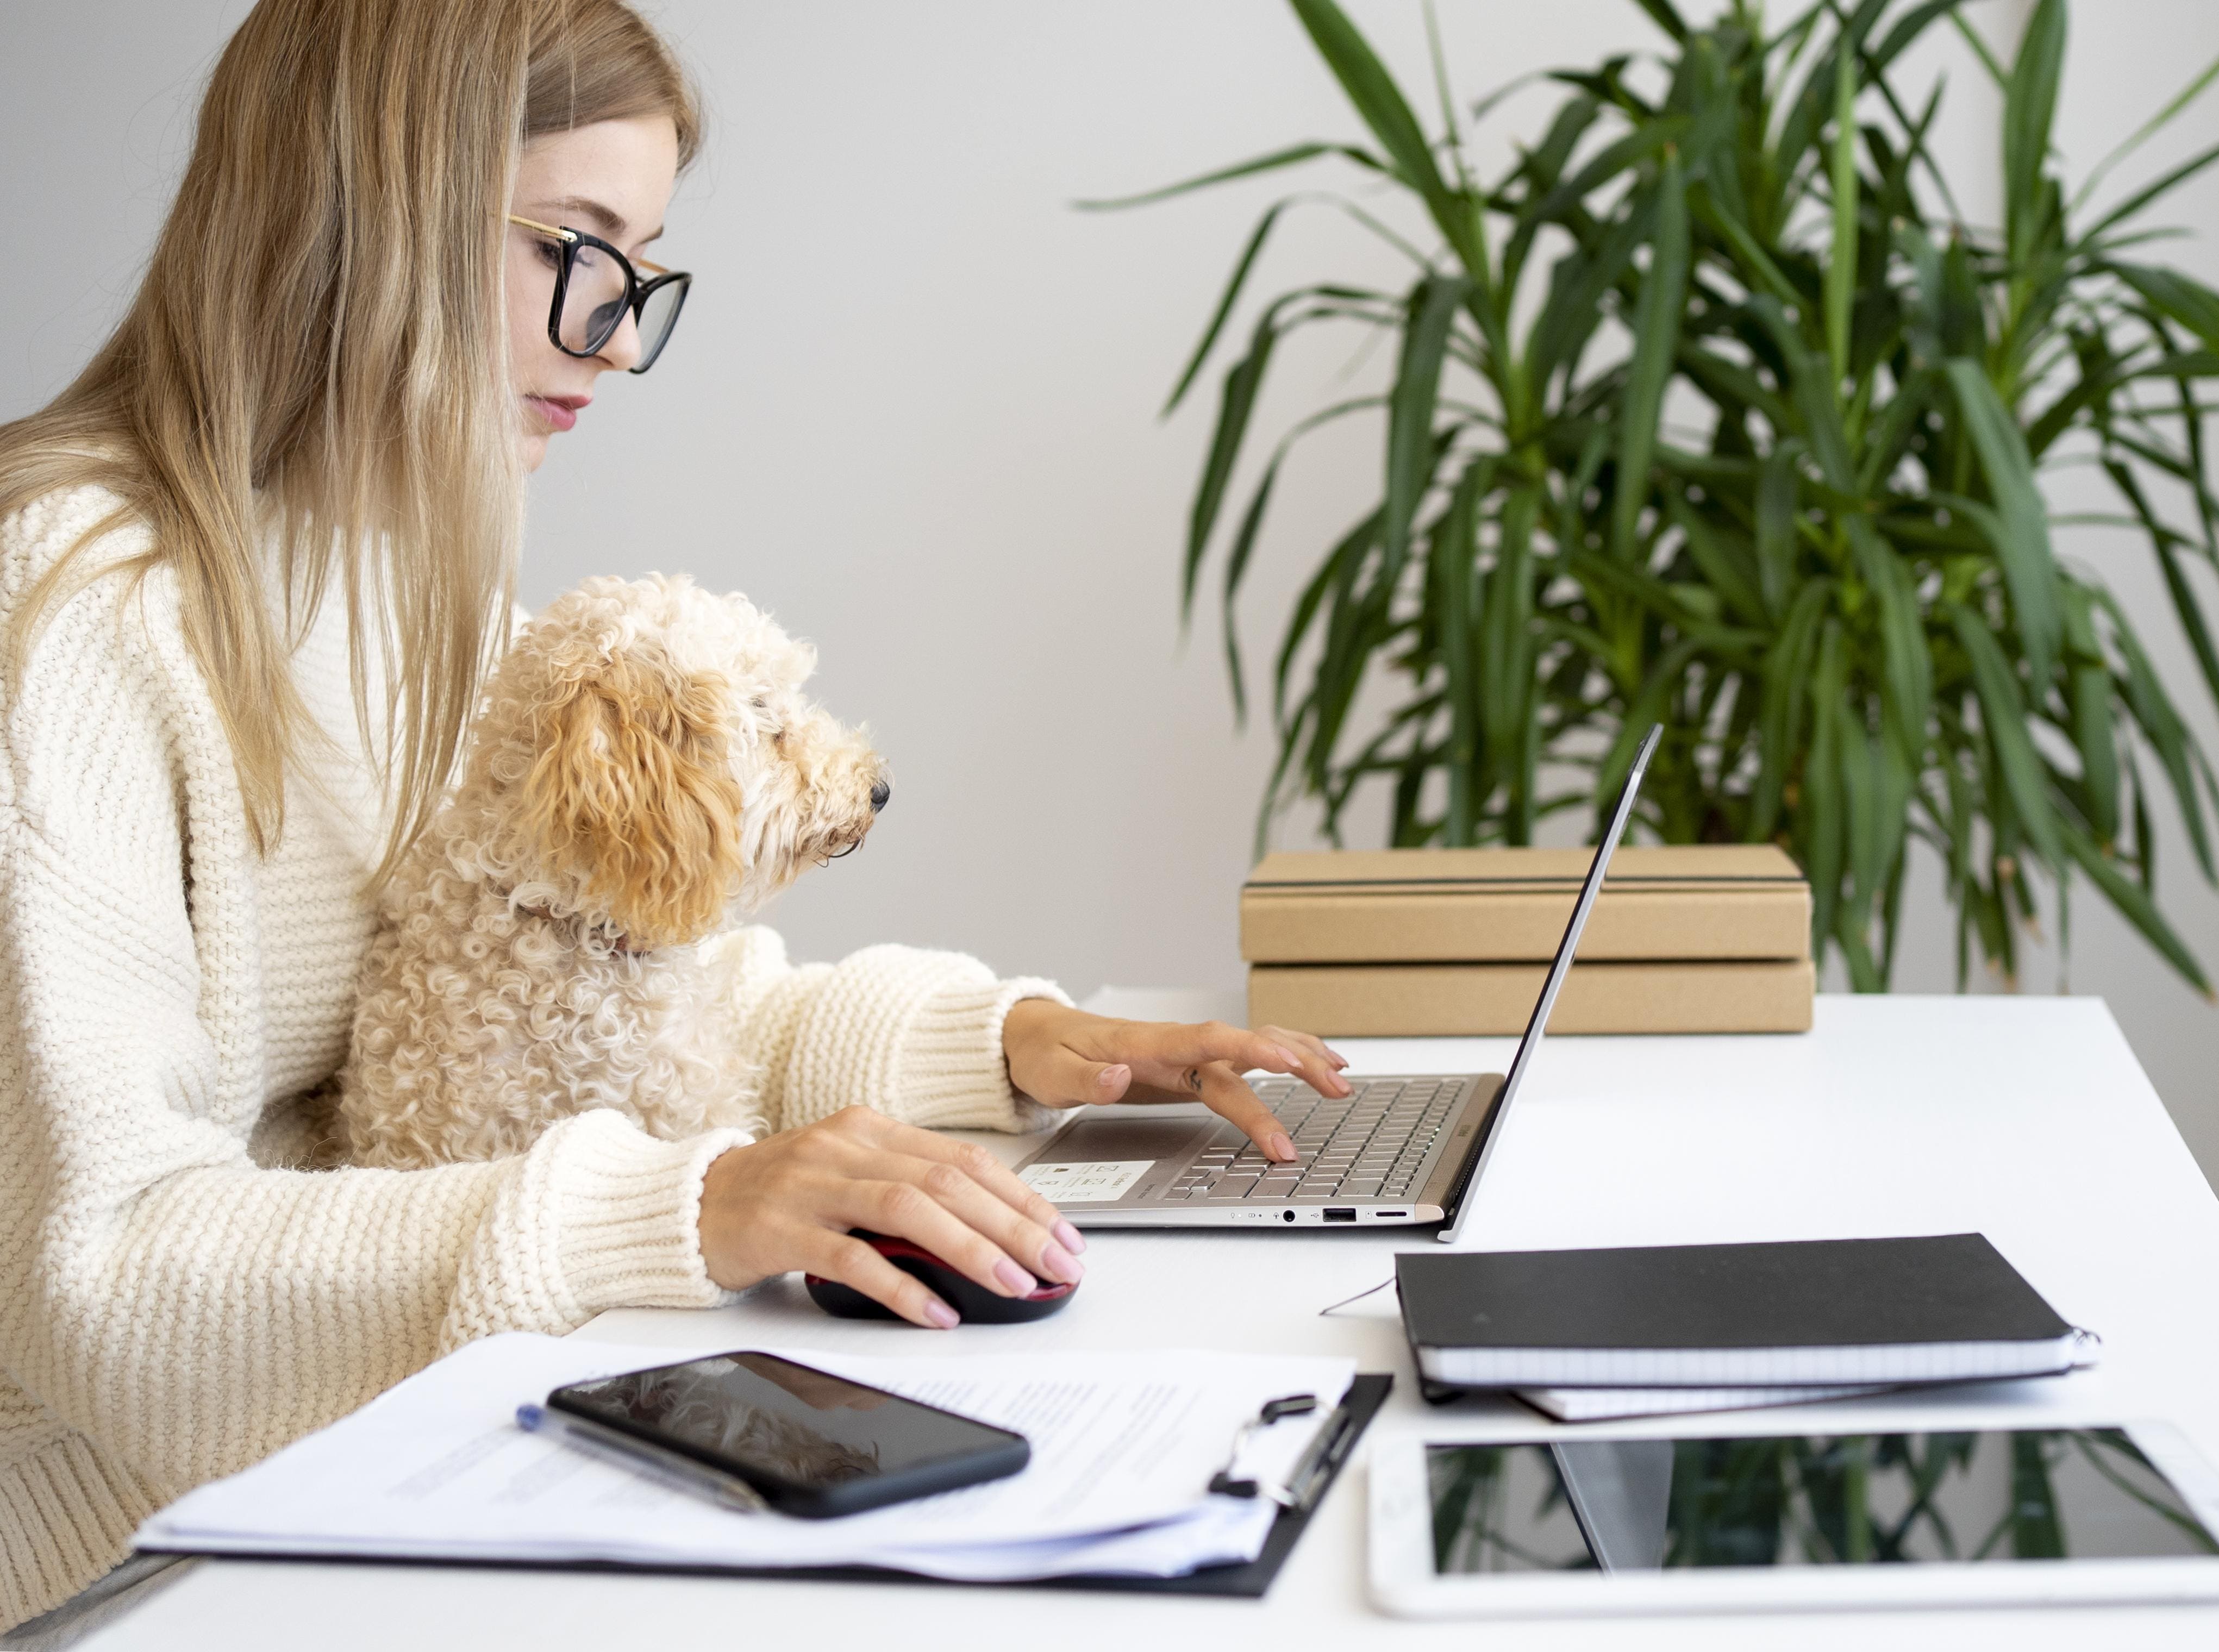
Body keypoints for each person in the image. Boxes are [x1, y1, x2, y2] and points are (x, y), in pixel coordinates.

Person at [0, 0, 1346, 1624]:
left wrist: (1014, 1043)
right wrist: (688, 1206)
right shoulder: (70, 617)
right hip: (138, 1562)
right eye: (577, 248)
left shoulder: (398, 584)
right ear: (373, 212)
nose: (617, 339)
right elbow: (103, 1282)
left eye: (638, 272)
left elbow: (608, 983)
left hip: (381, 1471)